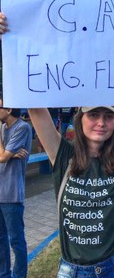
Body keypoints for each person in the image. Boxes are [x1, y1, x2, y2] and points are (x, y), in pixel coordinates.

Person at [0, 12, 114, 278]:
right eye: (93, 115)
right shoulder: (62, 155)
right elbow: (35, 107)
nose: (101, 122)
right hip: (72, 271)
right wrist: (10, 42)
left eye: (108, 116)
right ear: (81, 118)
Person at [0, 100, 32, 278]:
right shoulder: (3, 128)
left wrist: (5, 154)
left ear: (9, 108)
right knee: (0, 239)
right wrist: (5, 153)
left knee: (16, 241)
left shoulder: (23, 128)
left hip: (12, 194)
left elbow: (3, 158)